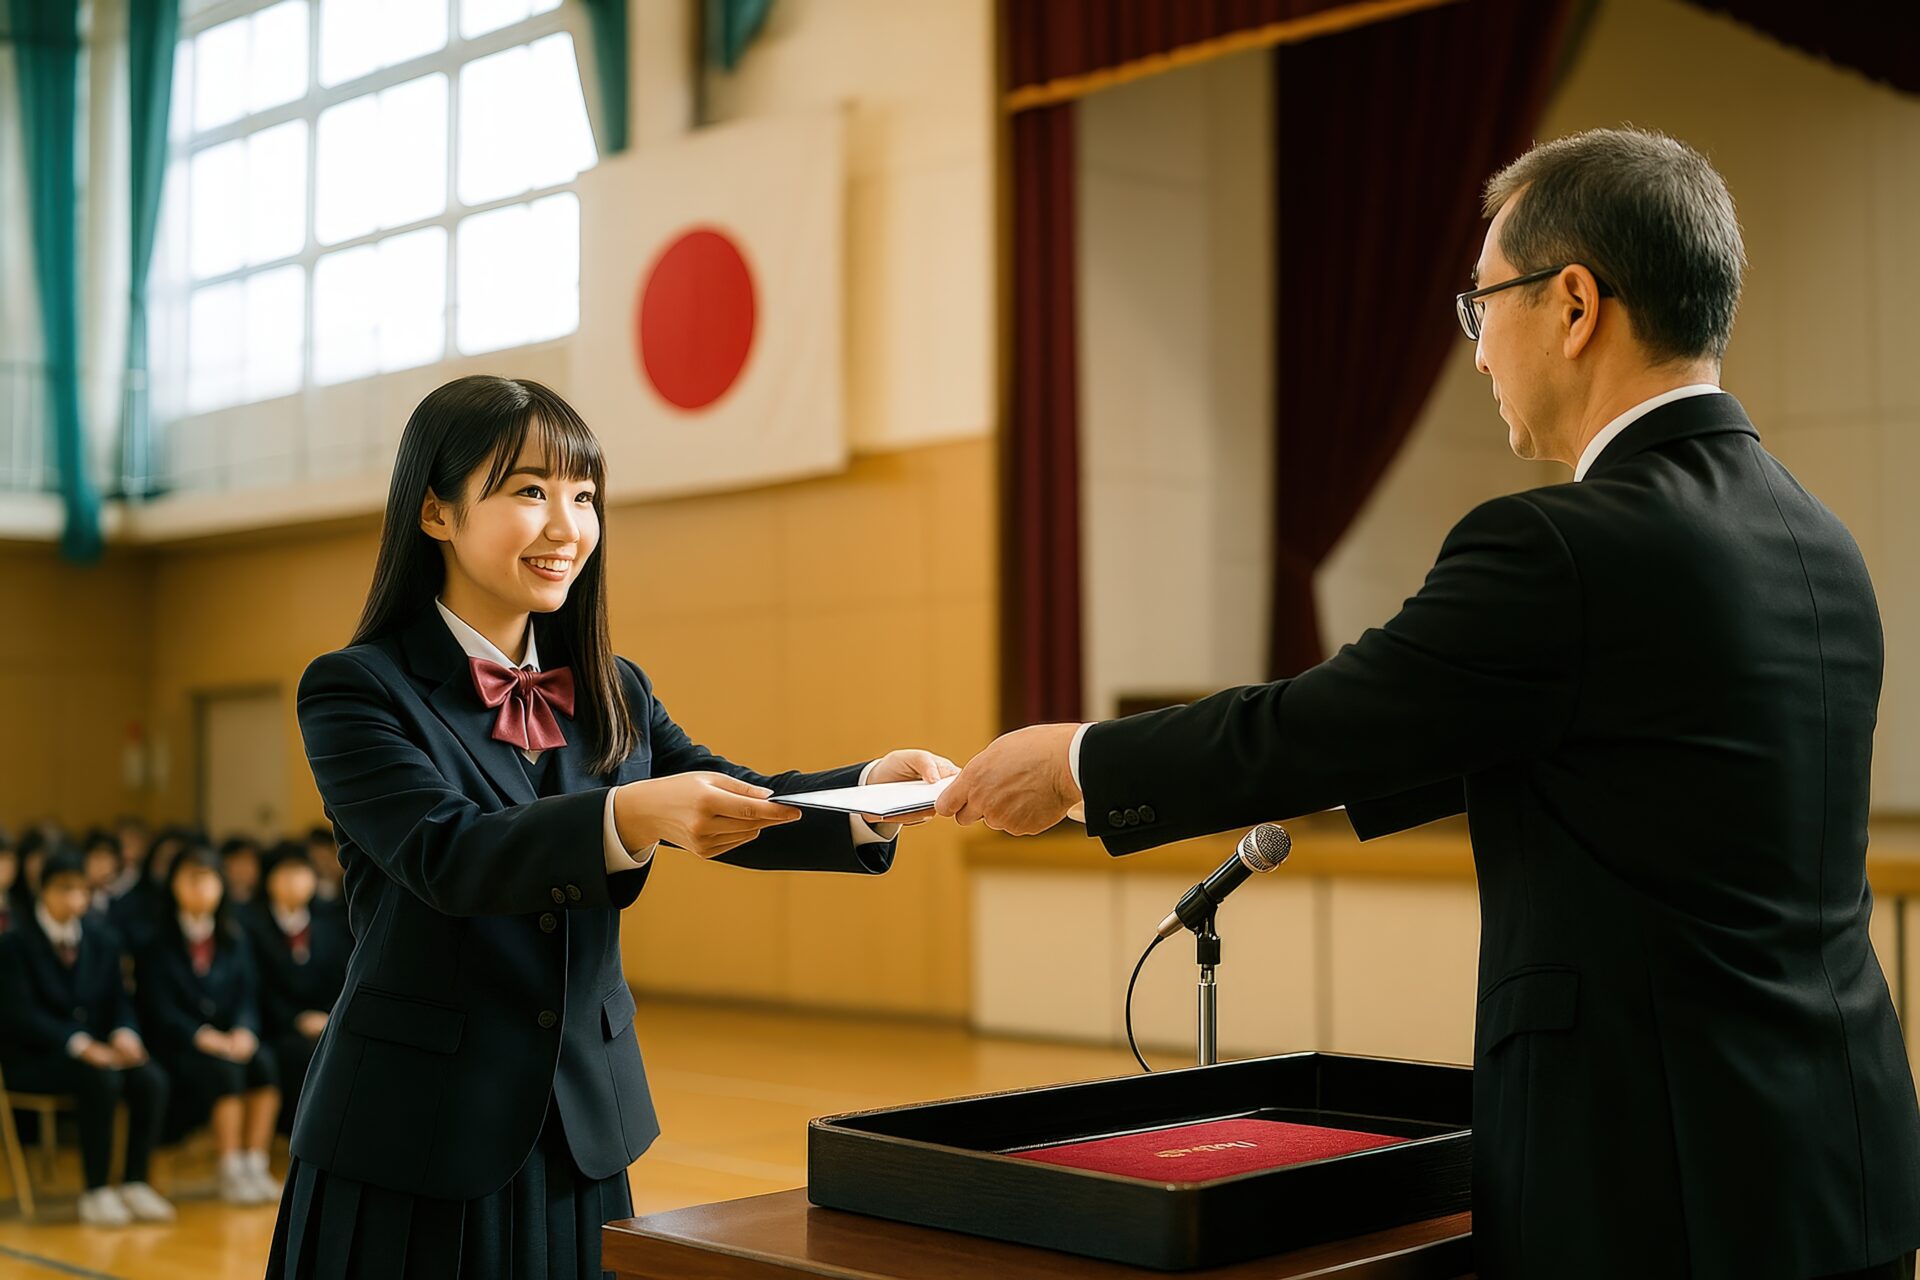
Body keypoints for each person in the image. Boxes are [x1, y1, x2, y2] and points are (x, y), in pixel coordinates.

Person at [939, 127, 1920, 1280]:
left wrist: (1078, 764)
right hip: (1841, 1159)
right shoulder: (1822, 541)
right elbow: (1573, 751)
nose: (1478, 353)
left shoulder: (1562, 546)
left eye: (1481, 306)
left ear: (1572, 305)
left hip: (1653, 1182)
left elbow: (1324, 724)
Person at [266, 374, 955, 1279]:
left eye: (583, 496)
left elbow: (733, 794)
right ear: (436, 513)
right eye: (529, 491)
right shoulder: (356, 689)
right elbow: (449, 854)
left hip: (578, 1133)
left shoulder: (612, 687)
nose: (567, 526)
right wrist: (627, 813)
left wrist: (871, 791)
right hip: (414, 1132)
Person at [0, 849, 174, 1226]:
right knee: (101, 1080)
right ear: (41, 890)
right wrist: (81, 1045)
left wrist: (124, 1033)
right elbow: (19, 1015)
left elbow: (119, 998)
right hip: (35, 1059)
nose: (75, 899)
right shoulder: (14, 944)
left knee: (150, 1077)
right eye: (64, 889)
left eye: (82, 891)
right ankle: (96, 1190)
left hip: (99, 1053)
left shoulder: (102, 939)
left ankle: (135, 1181)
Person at [135, 845, 282, 1205]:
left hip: (230, 1040)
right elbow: (159, 1008)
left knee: (264, 1062)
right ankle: (229, 1167)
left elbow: (249, 994)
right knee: (225, 1073)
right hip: (181, 1046)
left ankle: (254, 1162)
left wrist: (245, 1031)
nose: (201, 889)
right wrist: (204, 1037)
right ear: (174, 886)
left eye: (209, 880)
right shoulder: (157, 942)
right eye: (192, 879)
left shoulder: (234, 937)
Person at [240, 841, 349, 1135]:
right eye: (284, 874)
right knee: (299, 1054)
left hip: (325, 1021)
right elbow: (255, 986)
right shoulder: (250, 926)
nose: (294, 882)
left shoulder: (330, 926)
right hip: (275, 1026)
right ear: (268, 879)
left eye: (301, 873)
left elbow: (342, 979)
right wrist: (294, 1019)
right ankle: (303, 1136)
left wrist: (329, 1014)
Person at [219, 836, 263, 906]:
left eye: (251, 863)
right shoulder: (216, 903)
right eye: (240, 862)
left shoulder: (266, 906)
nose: (245, 870)